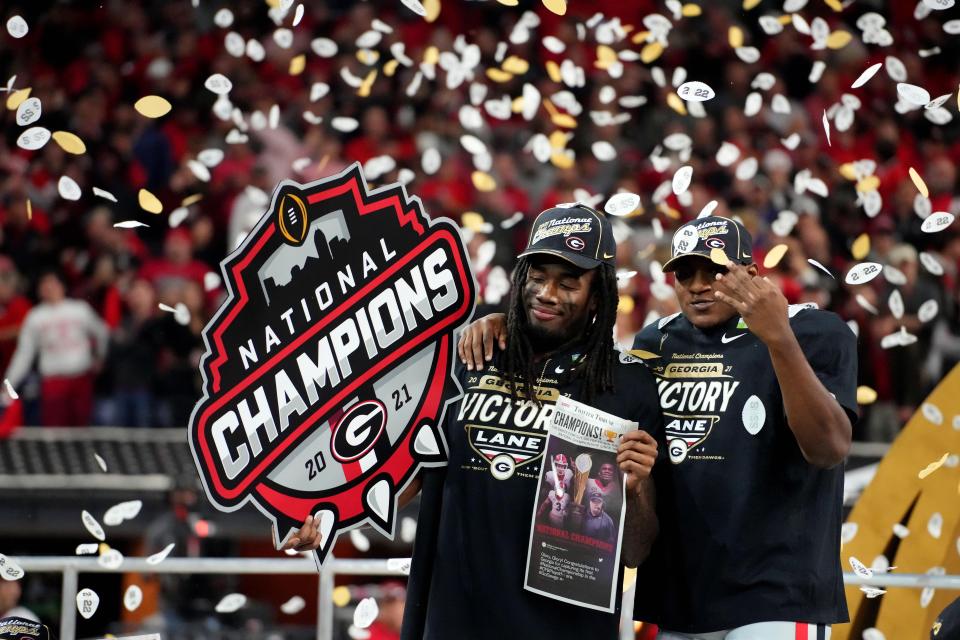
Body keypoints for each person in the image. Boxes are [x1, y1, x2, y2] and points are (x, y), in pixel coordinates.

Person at [457, 215, 857, 639]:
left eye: (715, 271)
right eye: (685, 273)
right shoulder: (653, 345)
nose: (699, 285)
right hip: (679, 598)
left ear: (750, 273)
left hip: (776, 595)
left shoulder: (812, 330)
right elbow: (575, 356)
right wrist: (507, 328)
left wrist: (779, 338)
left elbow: (829, 449)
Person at [284, 204, 663, 639]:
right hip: (456, 617)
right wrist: (328, 515)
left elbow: (636, 549)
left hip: (563, 627)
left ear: (598, 294)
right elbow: (414, 475)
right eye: (537, 277)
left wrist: (633, 490)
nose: (548, 294)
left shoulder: (630, 386)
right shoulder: (470, 354)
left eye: (568, 283)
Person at [2, 270, 109, 426]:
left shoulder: (79, 309)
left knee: (82, 429)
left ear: (62, 286)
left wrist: (100, 358)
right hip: (53, 382)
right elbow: (24, 354)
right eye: (45, 284)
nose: (49, 288)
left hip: (80, 379)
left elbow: (102, 332)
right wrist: (9, 384)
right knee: (54, 431)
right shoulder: (35, 316)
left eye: (52, 283)